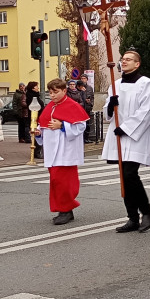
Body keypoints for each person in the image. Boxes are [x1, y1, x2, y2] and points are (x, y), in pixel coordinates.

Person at [101, 50, 150, 234]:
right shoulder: (115, 84)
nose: (124, 62)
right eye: (122, 59)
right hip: (118, 135)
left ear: (137, 63)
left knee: (130, 173)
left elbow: (147, 110)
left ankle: (147, 211)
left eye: (128, 59)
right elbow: (107, 112)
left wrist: (126, 128)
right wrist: (110, 105)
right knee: (124, 177)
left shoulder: (145, 83)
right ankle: (132, 217)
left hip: (134, 136)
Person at [36, 77, 89, 224]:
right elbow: (44, 124)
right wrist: (39, 132)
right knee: (55, 181)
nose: (52, 95)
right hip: (52, 151)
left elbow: (81, 126)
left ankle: (66, 210)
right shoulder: (50, 106)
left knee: (64, 182)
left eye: (55, 92)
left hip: (66, 151)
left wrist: (63, 125)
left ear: (64, 91)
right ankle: (63, 209)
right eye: (50, 93)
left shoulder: (72, 105)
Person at [26, 81, 44, 159]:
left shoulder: (36, 95)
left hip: (39, 116)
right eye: (36, 86)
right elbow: (34, 107)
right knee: (36, 133)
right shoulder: (31, 96)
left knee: (39, 133)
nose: (38, 88)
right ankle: (36, 152)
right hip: (34, 117)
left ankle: (38, 151)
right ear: (33, 88)